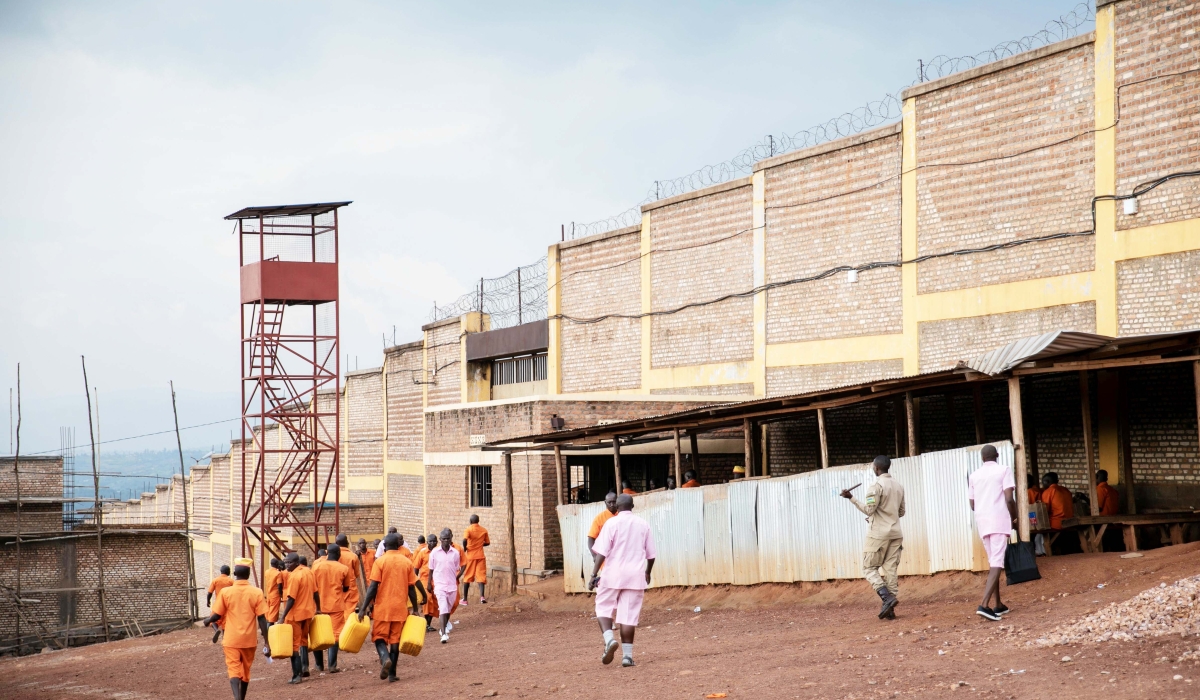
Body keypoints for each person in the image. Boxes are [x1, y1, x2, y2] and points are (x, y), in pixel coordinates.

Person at [587, 493, 656, 668]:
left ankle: (609, 640)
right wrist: (648, 572)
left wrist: (593, 575)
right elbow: (651, 555)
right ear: (632, 506)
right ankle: (627, 657)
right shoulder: (643, 524)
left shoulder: (611, 523)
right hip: (635, 576)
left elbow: (601, 552)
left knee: (603, 606)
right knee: (628, 616)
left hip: (612, 575)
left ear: (617, 507)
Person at [840, 455, 905, 620]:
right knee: (890, 570)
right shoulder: (898, 486)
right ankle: (890, 610)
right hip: (896, 533)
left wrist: (851, 498)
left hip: (878, 534)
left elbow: (869, 510)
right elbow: (901, 512)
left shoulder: (876, 486)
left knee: (868, 568)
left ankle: (886, 598)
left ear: (876, 468)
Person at [358, 533, 424, 683]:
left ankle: (384, 657)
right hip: (400, 609)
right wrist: (415, 608)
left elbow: (373, 586)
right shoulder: (407, 563)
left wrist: (363, 607)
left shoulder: (380, 562)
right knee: (395, 641)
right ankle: (392, 674)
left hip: (383, 608)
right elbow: (411, 589)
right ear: (398, 546)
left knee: (379, 637)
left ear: (385, 546)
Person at [203, 558, 269, 700]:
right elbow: (262, 619)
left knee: (233, 669)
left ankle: (236, 698)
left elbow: (217, 615)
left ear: (234, 573)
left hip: (231, 638)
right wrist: (267, 642)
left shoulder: (226, 592)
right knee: (245, 670)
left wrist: (208, 620)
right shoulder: (257, 592)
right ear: (249, 574)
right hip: (249, 640)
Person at [967, 445, 1017, 621]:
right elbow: (1009, 498)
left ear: (982, 458)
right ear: (997, 455)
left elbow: (972, 504)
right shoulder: (1004, 470)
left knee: (993, 562)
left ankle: (998, 604)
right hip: (999, 520)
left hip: (983, 522)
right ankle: (984, 605)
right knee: (997, 562)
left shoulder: (974, 476)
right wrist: (1015, 517)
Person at [277, 552, 317, 684]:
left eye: (289, 562)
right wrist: (319, 608)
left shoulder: (294, 576)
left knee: (294, 645)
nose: (287, 565)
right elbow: (315, 592)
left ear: (296, 562)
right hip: (308, 612)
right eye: (286, 562)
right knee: (304, 641)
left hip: (296, 615)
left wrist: (283, 617)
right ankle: (305, 667)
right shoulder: (308, 572)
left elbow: (291, 599)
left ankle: (297, 675)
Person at [313, 544, 354, 673]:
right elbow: (347, 587)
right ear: (338, 553)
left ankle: (319, 665)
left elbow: (312, 586)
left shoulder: (316, 566)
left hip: (318, 606)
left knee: (317, 634)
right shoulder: (343, 568)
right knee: (335, 634)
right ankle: (332, 665)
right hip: (336, 605)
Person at [429, 528, 463, 644]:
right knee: (442, 607)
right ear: (440, 540)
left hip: (452, 586)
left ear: (451, 539)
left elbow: (457, 568)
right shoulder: (434, 553)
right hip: (439, 585)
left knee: (448, 609)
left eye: (448, 539)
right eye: (443, 539)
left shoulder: (455, 553)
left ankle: (444, 626)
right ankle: (443, 634)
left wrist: (456, 579)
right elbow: (431, 569)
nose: (446, 541)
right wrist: (429, 583)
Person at [462, 514, 491, 604]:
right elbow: (487, 543)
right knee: (481, 576)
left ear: (470, 522)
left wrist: (465, 548)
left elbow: (464, 540)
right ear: (478, 521)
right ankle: (482, 597)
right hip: (480, 556)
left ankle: (465, 599)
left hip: (470, 557)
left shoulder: (468, 529)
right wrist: (480, 544)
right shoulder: (484, 530)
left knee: (468, 576)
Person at [207, 565, 235, 643]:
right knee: (225, 622)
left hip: (218, 604)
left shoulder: (215, 580)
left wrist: (208, 601)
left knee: (212, 620)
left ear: (221, 571)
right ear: (227, 571)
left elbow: (209, 592)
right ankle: (224, 638)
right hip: (228, 605)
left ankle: (216, 630)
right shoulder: (231, 581)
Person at [587, 492, 619, 558]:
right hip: (605, 557)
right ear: (605, 502)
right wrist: (594, 555)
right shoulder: (599, 518)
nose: (612, 505)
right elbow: (591, 538)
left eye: (614, 502)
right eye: (609, 502)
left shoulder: (622, 515)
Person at [263, 558, 287, 623]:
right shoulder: (278, 573)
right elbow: (279, 585)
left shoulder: (267, 571)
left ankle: (266, 629)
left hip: (268, 594)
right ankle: (269, 631)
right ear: (277, 564)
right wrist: (281, 594)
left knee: (268, 612)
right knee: (273, 614)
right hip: (275, 595)